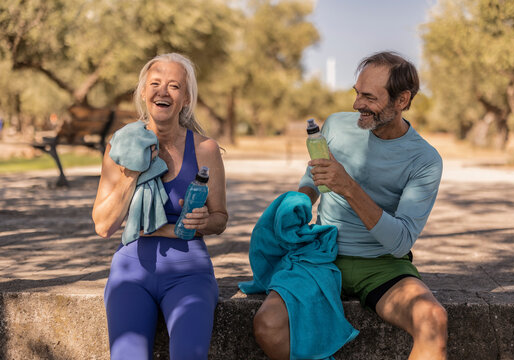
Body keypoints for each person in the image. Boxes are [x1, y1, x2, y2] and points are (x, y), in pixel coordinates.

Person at [253, 51, 447, 360]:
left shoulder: (425, 160)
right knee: (267, 324)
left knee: (433, 320)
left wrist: (349, 188)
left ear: (401, 100)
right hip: (322, 256)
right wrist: (302, 199)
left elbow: (400, 243)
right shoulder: (336, 125)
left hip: (383, 265)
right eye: (357, 93)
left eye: (369, 97)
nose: (357, 104)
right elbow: (313, 175)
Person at [92, 53, 228, 360]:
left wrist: (202, 221)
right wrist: (133, 173)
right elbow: (103, 225)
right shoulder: (120, 145)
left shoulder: (205, 148)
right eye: (155, 83)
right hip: (131, 270)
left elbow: (220, 218)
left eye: (174, 86)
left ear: (186, 98)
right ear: (143, 92)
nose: (163, 91)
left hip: (189, 273)